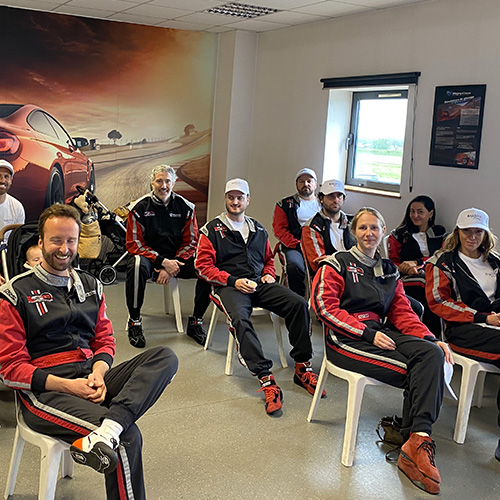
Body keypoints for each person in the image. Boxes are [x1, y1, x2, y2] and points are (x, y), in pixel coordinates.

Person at [0, 204, 178, 500]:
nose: (64, 249)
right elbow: (9, 369)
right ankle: (114, 429)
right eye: (56, 240)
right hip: (44, 393)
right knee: (127, 437)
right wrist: (69, 386)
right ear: (41, 242)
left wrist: (98, 372)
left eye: (71, 240)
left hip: (89, 377)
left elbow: (104, 339)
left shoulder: (91, 285)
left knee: (164, 357)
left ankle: (109, 427)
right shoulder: (15, 293)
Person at [311, 207, 452, 495]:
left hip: (381, 332)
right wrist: (367, 334)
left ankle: (417, 438)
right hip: (346, 339)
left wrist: (429, 337)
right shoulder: (336, 264)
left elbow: (402, 311)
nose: (369, 233)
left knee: (432, 355)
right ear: (353, 232)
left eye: (374, 227)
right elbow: (324, 307)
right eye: (363, 228)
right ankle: (410, 441)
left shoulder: (389, 270)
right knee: (414, 371)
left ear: (383, 231)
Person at [195, 178, 324, 416]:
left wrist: (268, 274)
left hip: (258, 283)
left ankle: (302, 368)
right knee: (240, 319)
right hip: (229, 287)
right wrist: (232, 281)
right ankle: (266, 379)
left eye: (240, 197)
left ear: (248, 200)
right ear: (225, 199)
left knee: (298, 304)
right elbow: (202, 267)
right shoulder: (211, 230)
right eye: (231, 197)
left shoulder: (258, 229)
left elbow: (268, 260)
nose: (235, 202)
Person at [425, 207, 500, 462]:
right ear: (457, 232)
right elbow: (438, 302)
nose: (472, 237)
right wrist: (483, 317)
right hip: (463, 329)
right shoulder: (442, 262)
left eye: (478, 231)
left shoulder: (495, 261)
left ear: (486, 234)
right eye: (467, 231)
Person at [125, 165, 211, 348]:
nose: (163, 186)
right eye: (159, 181)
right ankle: (134, 321)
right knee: (137, 264)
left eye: (167, 181)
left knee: (206, 266)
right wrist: (162, 261)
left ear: (174, 183)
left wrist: (173, 265)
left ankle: (196, 322)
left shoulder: (186, 207)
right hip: (150, 259)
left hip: (177, 259)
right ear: (152, 183)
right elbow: (134, 243)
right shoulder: (138, 208)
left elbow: (192, 241)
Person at [388, 195, 446, 334]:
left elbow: (442, 256)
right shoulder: (399, 235)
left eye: (420, 212)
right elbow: (392, 261)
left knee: (437, 288)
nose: (415, 215)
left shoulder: (440, 233)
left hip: (434, 273)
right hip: (408, 277)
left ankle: (434, 333)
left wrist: (418, 263)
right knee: (426, 288)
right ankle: (427, 332)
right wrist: (405, 268)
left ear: (430, 214)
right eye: (412, 211)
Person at [272, 168, 321, 296]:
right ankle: (296, 301)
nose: (306, 184)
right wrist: (298, 244)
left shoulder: (323, 204)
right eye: (301, 181)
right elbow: (279, 230)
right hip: (294, 246)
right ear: (296, 184)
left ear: (315, 184)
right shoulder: (284, 204)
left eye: (309, 181)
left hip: (318, 246)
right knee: (294, 267)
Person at [301, 179, 355, 275]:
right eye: (331, 196)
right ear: (321, 198)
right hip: (329, 276)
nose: (336, 200)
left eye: (339, 196)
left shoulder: (354, 223)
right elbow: (318, 264)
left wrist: (333, 259)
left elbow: (364, 254)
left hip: (356, 272)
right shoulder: (311, 227)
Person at [0, 159, 25, 239]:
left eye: (6, 177)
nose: (2, 180)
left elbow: (18, 238)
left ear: (11, 180)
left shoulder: (17, 207)